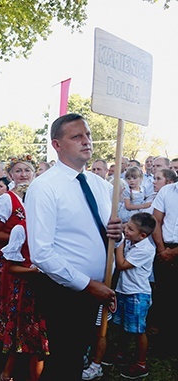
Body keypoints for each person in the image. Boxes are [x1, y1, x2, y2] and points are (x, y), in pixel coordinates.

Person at [25, 113, 123, 381]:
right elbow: (41, 253)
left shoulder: (101, 185)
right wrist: (88, 285)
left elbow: (108, 234)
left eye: (88, 135)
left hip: (98, 288)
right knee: (64, 361)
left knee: (77, 357)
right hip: (65, 291)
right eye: (77, 136)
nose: (86, 141)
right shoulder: (44, 187)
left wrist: (119, 233)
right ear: (57, 145)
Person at [0, 155, 47, 381]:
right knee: (9, 306)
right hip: (7, 261)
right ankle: (5, 356)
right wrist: (19, 239)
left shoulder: (33, 198)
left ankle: (19, 357)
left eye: (27, 171)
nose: (23, 175)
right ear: (11, 175)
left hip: (28, 258)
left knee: (26, 312)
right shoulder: (6, 199)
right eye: (18, 171)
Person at [107, 212, 156, 379]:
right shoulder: (133, 240)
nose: (126, 230)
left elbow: (121, 265)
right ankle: (122, 355)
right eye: (126, 226)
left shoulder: (146, 248)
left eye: (130, 229)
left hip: (137, 294)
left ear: (142, 235)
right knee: (123, 326)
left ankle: (141, 364)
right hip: (124, 290)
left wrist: (118, 244)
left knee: (138, 330)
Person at [150, 169, 178, 356]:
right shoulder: (167, 192)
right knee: (164, 296)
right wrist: (162, 250)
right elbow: (156, 221)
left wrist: (174, 252)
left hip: (173, 251)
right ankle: (165, 344)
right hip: (163, 248)